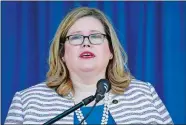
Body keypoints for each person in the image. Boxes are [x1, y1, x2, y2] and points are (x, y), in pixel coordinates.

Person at [5, 7, 173, 124]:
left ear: (111, 51)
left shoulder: (144, 94)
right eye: (76, 37)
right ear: (62, 53)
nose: (86, 44)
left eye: (96, 36)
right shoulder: (27, 101)